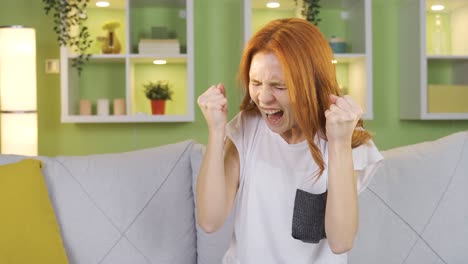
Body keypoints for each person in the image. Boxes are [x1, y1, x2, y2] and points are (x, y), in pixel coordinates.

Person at [196, 18, 383, 264]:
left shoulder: (347, 138)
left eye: (279, 86)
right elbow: (210, 220)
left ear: (311, 85)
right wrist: (216, 130)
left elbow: (341, 241)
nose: (263, 98)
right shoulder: (248, 127)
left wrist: (338, 144)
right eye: (255, 83)